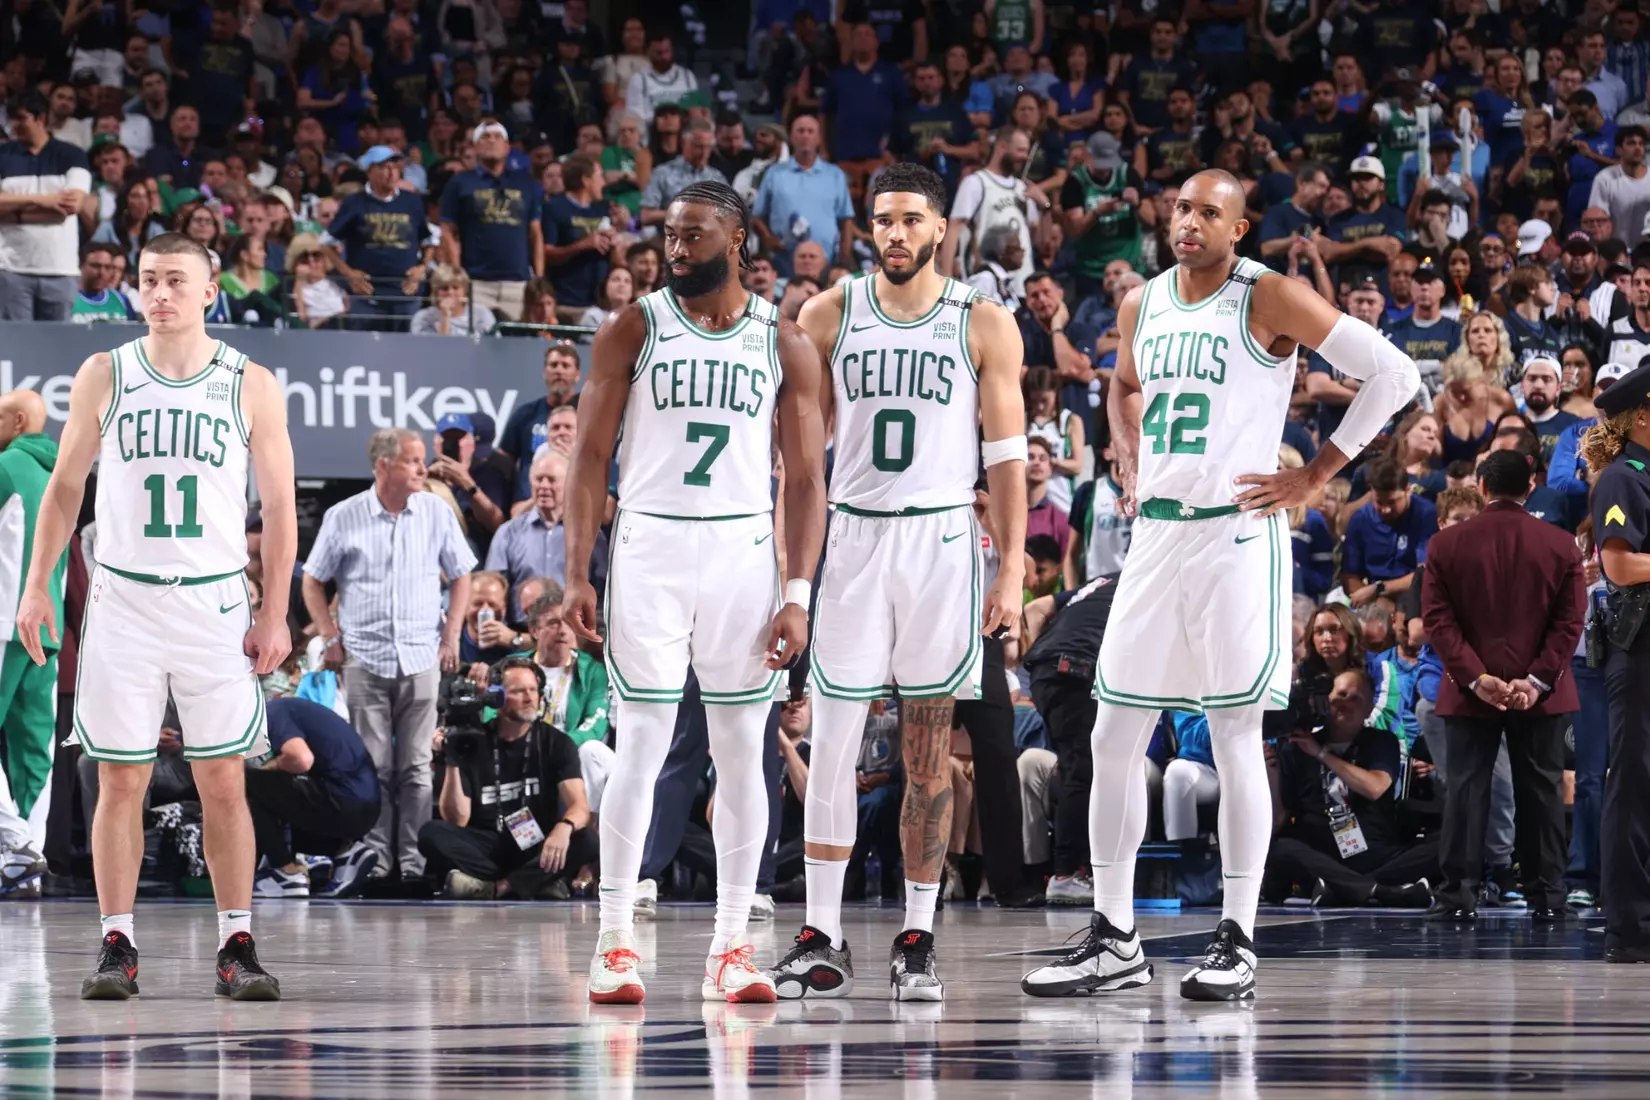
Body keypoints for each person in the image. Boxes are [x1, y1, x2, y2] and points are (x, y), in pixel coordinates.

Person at [1020, 169, 1419, 1002]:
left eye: (1210, 211)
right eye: (1181, 208)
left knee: (1236, 737)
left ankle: (1237, 936)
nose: (1190, 221)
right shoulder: (1142, 303)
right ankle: (1114, 937)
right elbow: (1123, 385)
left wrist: (1315, 474)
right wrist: (1125, 450)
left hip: (1236, 535)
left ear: (1239, 228)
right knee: (1111, 737)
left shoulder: (1266, 294)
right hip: (1157, 535)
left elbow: (1393, 376)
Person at [563, 179, 827, 1004]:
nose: (676, 249)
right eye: (670, 236)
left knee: (744, 751)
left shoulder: (783, 341)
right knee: (642, 743)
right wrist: (576, 570)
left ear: (738, 239)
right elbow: (589, 458)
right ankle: (613, 942)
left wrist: (797, 592)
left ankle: (732, 948)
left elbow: (806, 480)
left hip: (742, 553)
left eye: (694, 235)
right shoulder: (633, 327)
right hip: (650, 545)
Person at [15, 232, 296, 1000]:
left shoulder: (250, 382)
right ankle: (117, 943)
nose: (160, 293)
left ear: (210, 291)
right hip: (125, 598)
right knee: (120, 779)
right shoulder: (104, 372)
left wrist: (276, 612)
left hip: (213, 599)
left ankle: (236, 943)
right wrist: (37, 585)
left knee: (223, 781)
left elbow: (278, 508)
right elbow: (65, 489)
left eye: (176, 280)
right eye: (149, 280)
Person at [771, 162, 1027, 1003]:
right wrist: (791, 577)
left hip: (941, 540)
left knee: (926, 753)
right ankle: (820, 934)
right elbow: (800, 464)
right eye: (883, 220)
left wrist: (1013, 567)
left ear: (941, 230)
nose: (896, 233)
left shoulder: (982, 320)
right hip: (853, 537)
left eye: (912, 219)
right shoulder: (828, 313)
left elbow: (1007, 459)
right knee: (834, 746)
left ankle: (917, 938)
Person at [301, 428, 476, 882]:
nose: (423, 468)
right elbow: (312, 580)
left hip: (421, 656)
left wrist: (451, 635)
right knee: (374, 767)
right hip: (364, 657)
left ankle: (414, 863)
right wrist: (329, 636)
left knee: (416, 768)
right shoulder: (344, 516)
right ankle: (377, 861)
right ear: (383, 465)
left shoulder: (436, 511)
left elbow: (462, 575)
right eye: (413, 460)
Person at [1422, 445, 1586, 921]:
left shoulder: (1445, 545)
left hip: (1471, 689)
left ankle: (1457, 896)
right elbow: (1570, 622)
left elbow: (1438, 621)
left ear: (1481, 486)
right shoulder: (1561, 544)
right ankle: (1548, 897)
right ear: (1531, 487)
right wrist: (1535, 680)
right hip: (1540, 692)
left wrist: (1476, 678)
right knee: (1541, 792)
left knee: (1466, 792)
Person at [417, 658, 598, 900]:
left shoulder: (556, 742)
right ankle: (535, 882)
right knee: (430, 833)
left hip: (535, 841)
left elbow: (580, 807)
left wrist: (564, 828)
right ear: (496, 698)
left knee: (588, 840)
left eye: (533, 690)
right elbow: (457, 818)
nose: (530, 698)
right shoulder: (474, 741)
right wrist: (451, 758)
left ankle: (496, 887)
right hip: (488, 843)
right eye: (519, 691)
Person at [1262, 669, 1437, 908]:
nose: (1345, 703)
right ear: (1327, 699)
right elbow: (1279, 819)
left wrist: (1321, 754)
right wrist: (1271, 770)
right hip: (1322, 855)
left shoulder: (1381, 741)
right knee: (1281, 847)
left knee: (1447, 844)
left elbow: (1375, 787)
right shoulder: (1297, 746)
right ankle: (1381, 891)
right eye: (1341, 695)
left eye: (1356, 698)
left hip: (1375, 853)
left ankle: (1343, 888)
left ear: (1369, 709)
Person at [1582, 363, 1650, 961]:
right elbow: (1620, 566)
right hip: (1640, 647)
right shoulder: (1623, 478)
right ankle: (1630, 927)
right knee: (1633, 785)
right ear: (1643, 415)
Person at [0, 393, 65, 894]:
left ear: (18, 421)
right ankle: (26, 863)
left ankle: (15, 843)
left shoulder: (6, 467)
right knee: (35, 746)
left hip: (4, 620)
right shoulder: (63, 476)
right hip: (46, 628)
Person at [245, 697, 382, 900]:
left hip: (344, 802)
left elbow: (301, 759)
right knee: (275, 796)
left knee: (249, 782)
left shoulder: (270, 713)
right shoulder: (292, 709)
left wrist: (267, 768)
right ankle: (344, 852)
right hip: (365, 806)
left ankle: (284, 872)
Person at [438, 120, 544, 322]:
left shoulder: (526, 183)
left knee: (519, 338)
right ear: (475, 147)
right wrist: (458, 277)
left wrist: (538, 278)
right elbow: (448, 230)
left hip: (518, 283)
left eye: (497, 137)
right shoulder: (460, 182)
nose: (492, 141)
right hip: (476, 282)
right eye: (485, 137)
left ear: (507, 146)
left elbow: (535, 233)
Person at [0, 89, 92, 321]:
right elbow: (55, 208)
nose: (14, 125)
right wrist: (41, 200)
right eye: (12, 119)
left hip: (60, 270)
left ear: (40, 118)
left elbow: (70, 207)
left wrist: (12, 214)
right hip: (11, 269)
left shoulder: (72, 155)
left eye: (21, 118)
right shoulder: (3, 155)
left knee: (58, 342)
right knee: (16, 342)